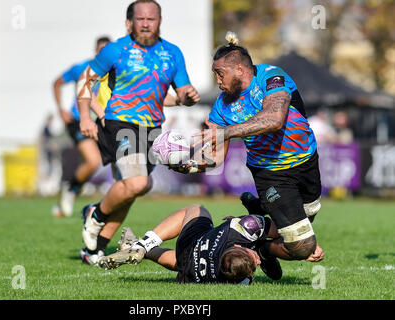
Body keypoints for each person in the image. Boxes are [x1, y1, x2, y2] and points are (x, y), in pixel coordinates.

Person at [175, 32, 324, 264]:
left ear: (240, 70)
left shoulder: (271, 77)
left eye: (220, 73)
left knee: (309, 213)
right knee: (303, 247)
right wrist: (191, 166)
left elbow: (274, 118)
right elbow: (215, 158)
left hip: (306, 161)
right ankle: (264, 249)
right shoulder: (221, 107)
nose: (217, 80)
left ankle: (258, 207)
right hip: (270, 173)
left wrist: (227, 132)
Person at [77, 0, 200, 265]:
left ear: (160, 21)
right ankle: (96, 215)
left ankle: (94, 250)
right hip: (119, 123)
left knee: (133, 189)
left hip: (153, 128)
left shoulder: (173, 53)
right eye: (140, 19)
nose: (146, 24)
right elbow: (86, 79)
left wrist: (188, 96)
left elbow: (181, 92)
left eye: (151, 19)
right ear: (129, 22)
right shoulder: (115, 50)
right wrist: (85, 116)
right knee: (137, 183)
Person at [98, 203, 323, 284]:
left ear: (239, 247)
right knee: (182, 261)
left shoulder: (243, 235)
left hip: (193, 247)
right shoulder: (236, 277)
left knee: (196, 211)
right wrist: (305, 248)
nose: (255, 261)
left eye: (254, 260)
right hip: (191, 267)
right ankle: (144, 249)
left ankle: (143, 245)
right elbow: (282, 230)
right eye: (255, 261)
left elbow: (281, 227)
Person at [52, 36, 112, 217]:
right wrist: (61, 109)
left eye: (107, 50)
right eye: (101, 50)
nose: (104, 53)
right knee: (93, 161)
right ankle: (70, 190)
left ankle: (71, 194)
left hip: (103, 123)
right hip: (79, 121)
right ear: (95, 51)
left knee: (105, 163)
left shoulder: (116, 71)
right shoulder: (82, 68)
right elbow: (57, 83)